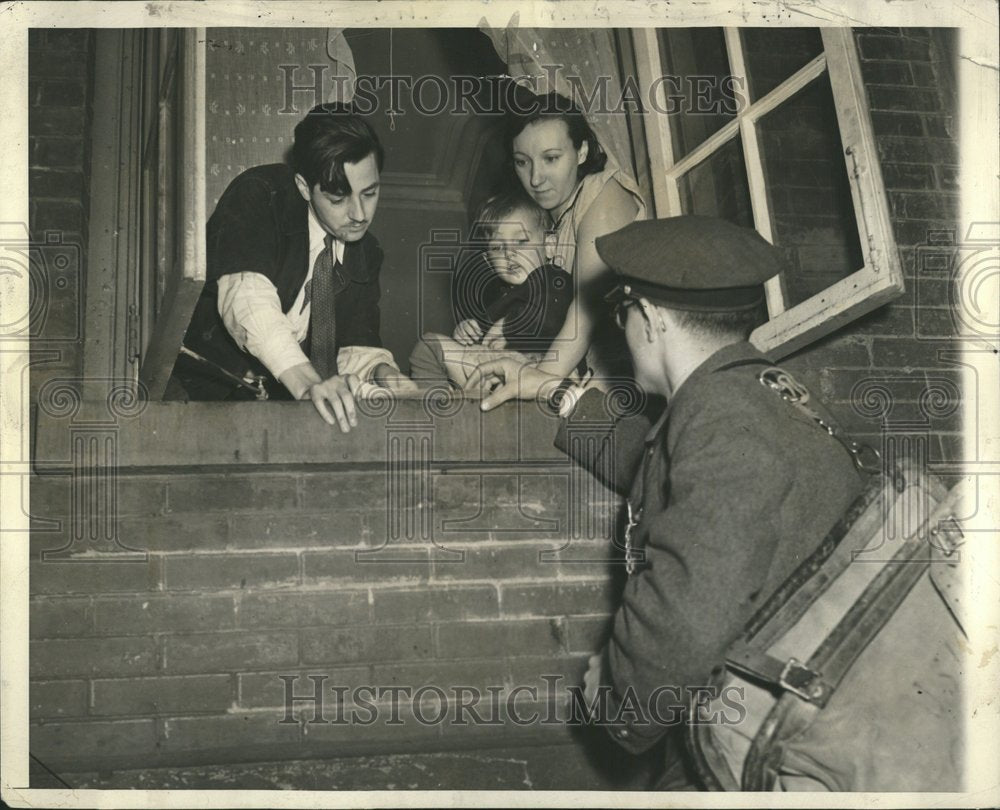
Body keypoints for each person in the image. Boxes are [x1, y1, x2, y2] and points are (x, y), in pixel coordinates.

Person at [465, 216, 867, 787]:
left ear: (650, 318)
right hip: (805, 725)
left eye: (622, 315)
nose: (622, 332)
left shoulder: (720, 419)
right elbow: (664, 473)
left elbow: (690, 612)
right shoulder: (757, 395)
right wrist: (553, 389)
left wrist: (614, 691)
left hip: (760, 755)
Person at [170, 102, 415, 431]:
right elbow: (248, 299)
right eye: (338, 198)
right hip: (198, 398)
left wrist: (387, 376)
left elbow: (357, 343)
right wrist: (307, 383)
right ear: (303, 186)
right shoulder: (261, 194)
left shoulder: (366, 251)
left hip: (277, 417)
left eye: (369, 193)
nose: (359, 214)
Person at [493, 89, 645, 382]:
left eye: (551, 158)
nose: (536, 178)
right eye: (522, 162)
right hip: (578, 372)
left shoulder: (602, 193)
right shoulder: (547, 219)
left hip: (623, 377)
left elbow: (586, 311)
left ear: (583, 152)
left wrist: (536, 380)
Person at [407, 189, 575, 388]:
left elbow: (552, 311)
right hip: (495, 373)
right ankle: (440, 406)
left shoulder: (552, 278)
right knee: (428, 347)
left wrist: (508, 327)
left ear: (550, 245)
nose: (509, 253)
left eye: (521, 242)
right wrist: (467, 335)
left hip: (540, 369)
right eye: (497, 247)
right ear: (488, 259)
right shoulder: (495, 297)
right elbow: (485, 341)